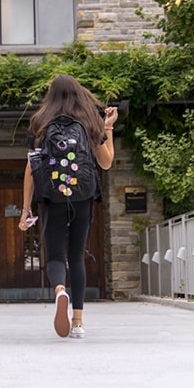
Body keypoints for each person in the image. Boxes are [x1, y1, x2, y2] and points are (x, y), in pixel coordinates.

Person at [19, 74, 117, 339]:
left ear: (51, 95)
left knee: (54, 256)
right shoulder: (89, 121)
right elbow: (106, 163)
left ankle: (60, 290)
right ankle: (78, 321)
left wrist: (26, 208)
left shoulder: (39, 122)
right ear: (78, 93)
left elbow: (31, 168)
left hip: (51, 196)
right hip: (82, 195)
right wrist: (108, 128)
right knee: (76, 256)